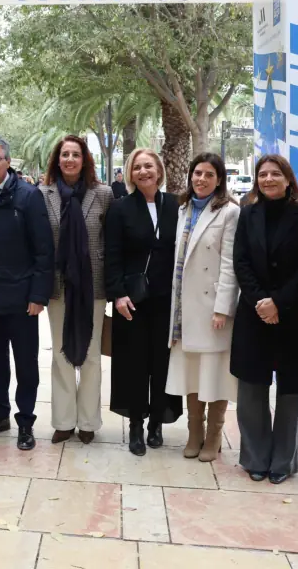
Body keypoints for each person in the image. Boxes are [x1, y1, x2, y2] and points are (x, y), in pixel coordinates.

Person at [0, 137, 54, 451]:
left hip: (22, 297)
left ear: (8, 162)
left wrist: (39, 295)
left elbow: (44, 250)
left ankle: (25, 420)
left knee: (26, 363)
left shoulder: (28, 196)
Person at [231, 154, 298, 484]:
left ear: (288, 179)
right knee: (251, 390)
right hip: (254, 315)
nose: (268, 179)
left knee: (289, 393)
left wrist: (278, 302)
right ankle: (254, 457)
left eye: (275, 174)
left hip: (292, 316)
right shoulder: (247, 215)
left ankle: (283, 461)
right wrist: (260, 301)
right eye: (262, 174)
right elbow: (241, 262)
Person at [105, 147, 182, 456]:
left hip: (166, 299)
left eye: (149, 166)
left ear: (159, 171)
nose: (143, 172)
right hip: (131, 299)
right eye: (137, 167)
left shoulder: (175, 206)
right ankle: (136, 423)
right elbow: (112, 255)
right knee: (133, 363)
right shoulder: (121, 208)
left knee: (161, 363)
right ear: (130, 173)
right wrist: (118, 294)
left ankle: (157, 424)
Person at [37, 135, 113, 445]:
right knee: (62, 353)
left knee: (92, 355)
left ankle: (88, 422)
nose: (70, 159)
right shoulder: (43, 194)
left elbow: (111, 240)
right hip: (58, 286)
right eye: (64, 154)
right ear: (57, 160)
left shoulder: (103, 194)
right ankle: (64, 421)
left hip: (92, 287)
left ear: (85, 160)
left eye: (75, 154)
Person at [164, 152, 240, 463]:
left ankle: (214, 435)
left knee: (215, 374)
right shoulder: (183, 208)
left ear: (219, 179)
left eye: (209, 174)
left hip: (212, 309)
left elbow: (229, 264)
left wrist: (222, 308)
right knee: (191, 374)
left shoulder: (229, 212)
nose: (201, 179)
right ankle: (195, 431)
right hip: (184, 308)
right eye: (197, 173)